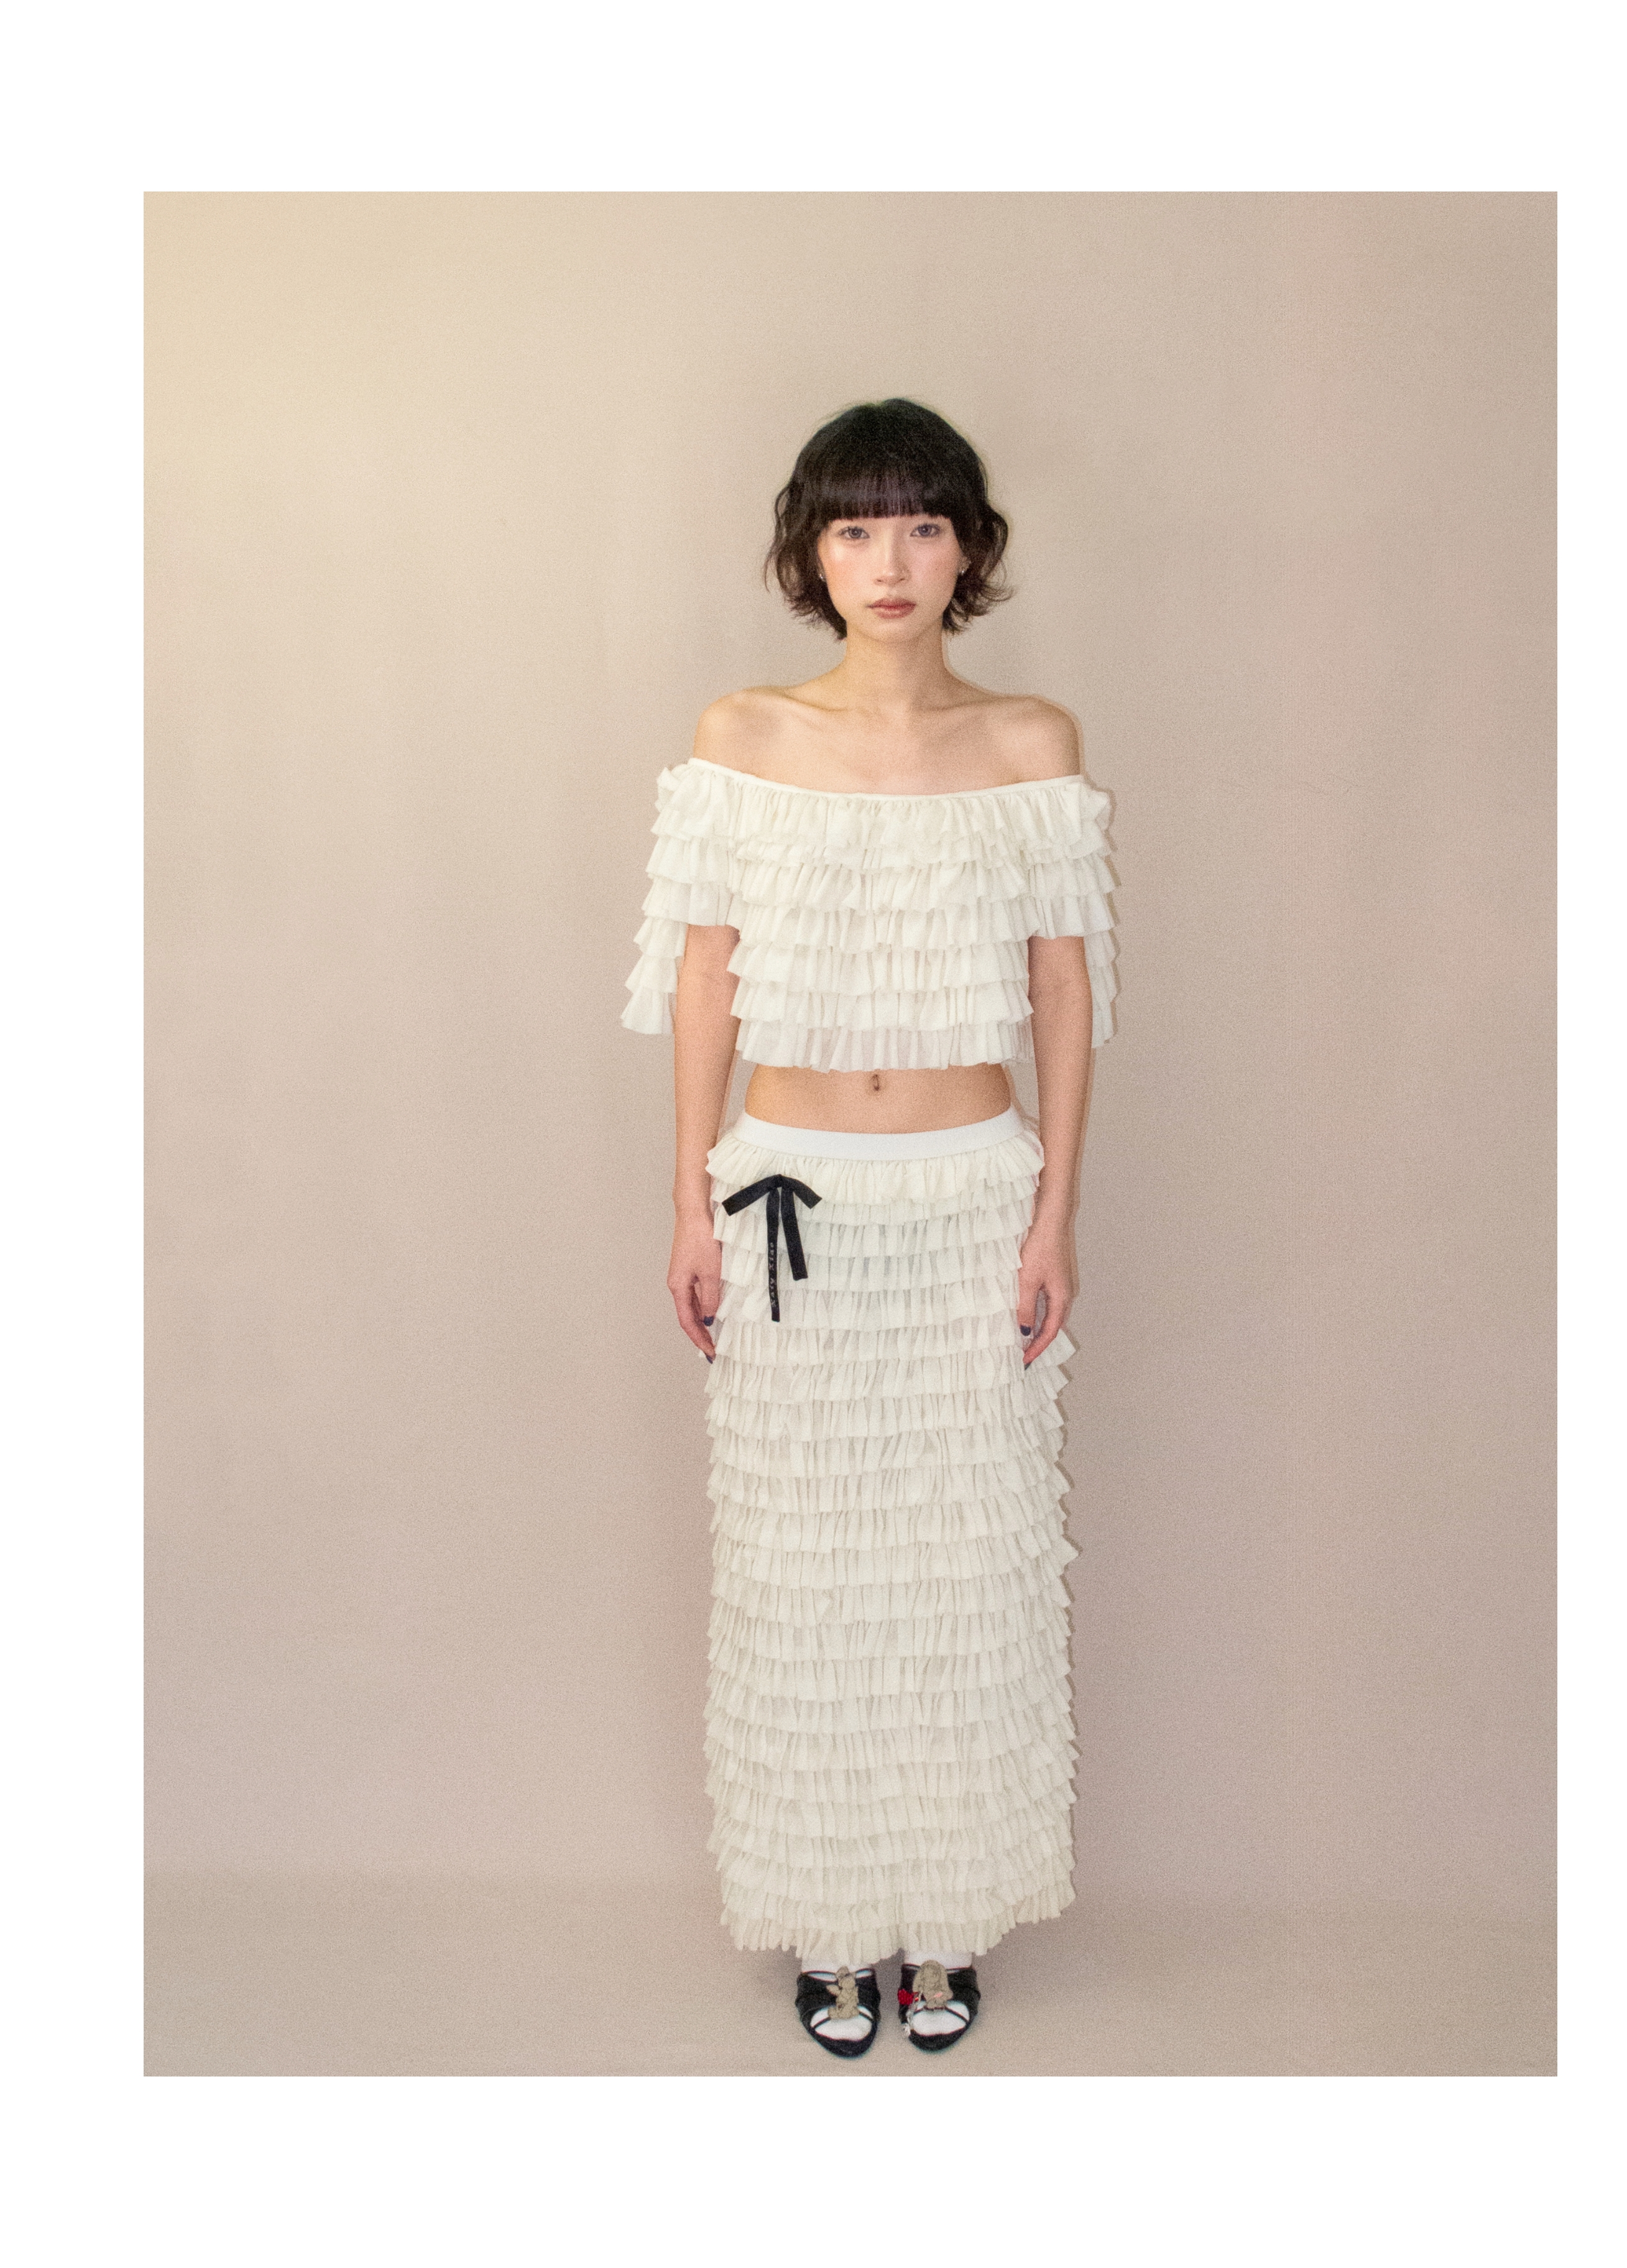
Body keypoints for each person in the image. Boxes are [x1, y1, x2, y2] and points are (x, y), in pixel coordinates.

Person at [621, 397, 1117, 2056]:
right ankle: (833, 1922)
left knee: (966, 1568)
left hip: (970, 1195)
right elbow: (706, 977)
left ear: (968, 547)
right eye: (854, 527)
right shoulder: (744, 733)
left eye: (920, 523)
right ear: (810, 553)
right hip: (789, 1198)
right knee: (805, 1567)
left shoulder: (1030, 742)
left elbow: (1064, 991)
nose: (888, 560)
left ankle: (947, 1916)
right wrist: (687, 1193)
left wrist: (1054, 1212)